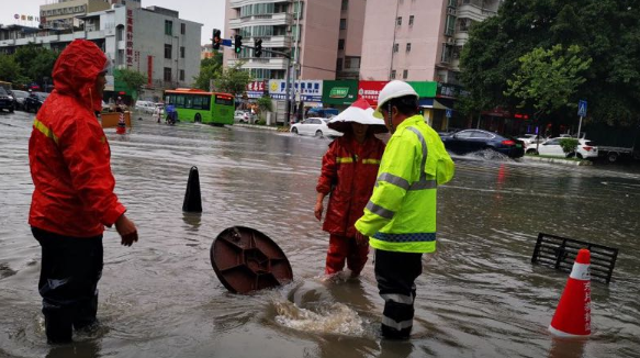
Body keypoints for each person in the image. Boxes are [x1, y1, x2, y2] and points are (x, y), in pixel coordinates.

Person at [28, 39, 138, 344]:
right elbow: (89, 180)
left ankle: (86, 335)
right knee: (67, 291)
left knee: (75, 284)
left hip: (51, 216)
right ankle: (63, 346)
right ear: (86, 78)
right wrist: (118, 218)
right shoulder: (77, 119)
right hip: (69, 225)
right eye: (101, 75)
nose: (105, 81)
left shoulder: (54, 105)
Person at [354, 80, 455, 339]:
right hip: (418, 233)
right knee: (405, 287)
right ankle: (402, 335)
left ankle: (393, 341)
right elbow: (446, 172)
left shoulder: (402, 138)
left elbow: (390, 190)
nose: (385, 122)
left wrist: (365, 225)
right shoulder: (428, 134)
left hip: (397, 232)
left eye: (384, 114)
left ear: (393, 110)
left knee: (393, 290)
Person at [315, 98, 386, 278]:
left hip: (365, 212)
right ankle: (331, 287)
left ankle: (354, 285)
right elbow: (326, 175)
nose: (360, 127)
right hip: (339, 210)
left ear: (370, 125)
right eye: (356, 123)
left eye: (364, 124)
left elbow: (387, 181)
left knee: (360, 256)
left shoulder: (380, 149)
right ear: (350, 124)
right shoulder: (338, 147)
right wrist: (319, 202)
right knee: (335, 255)